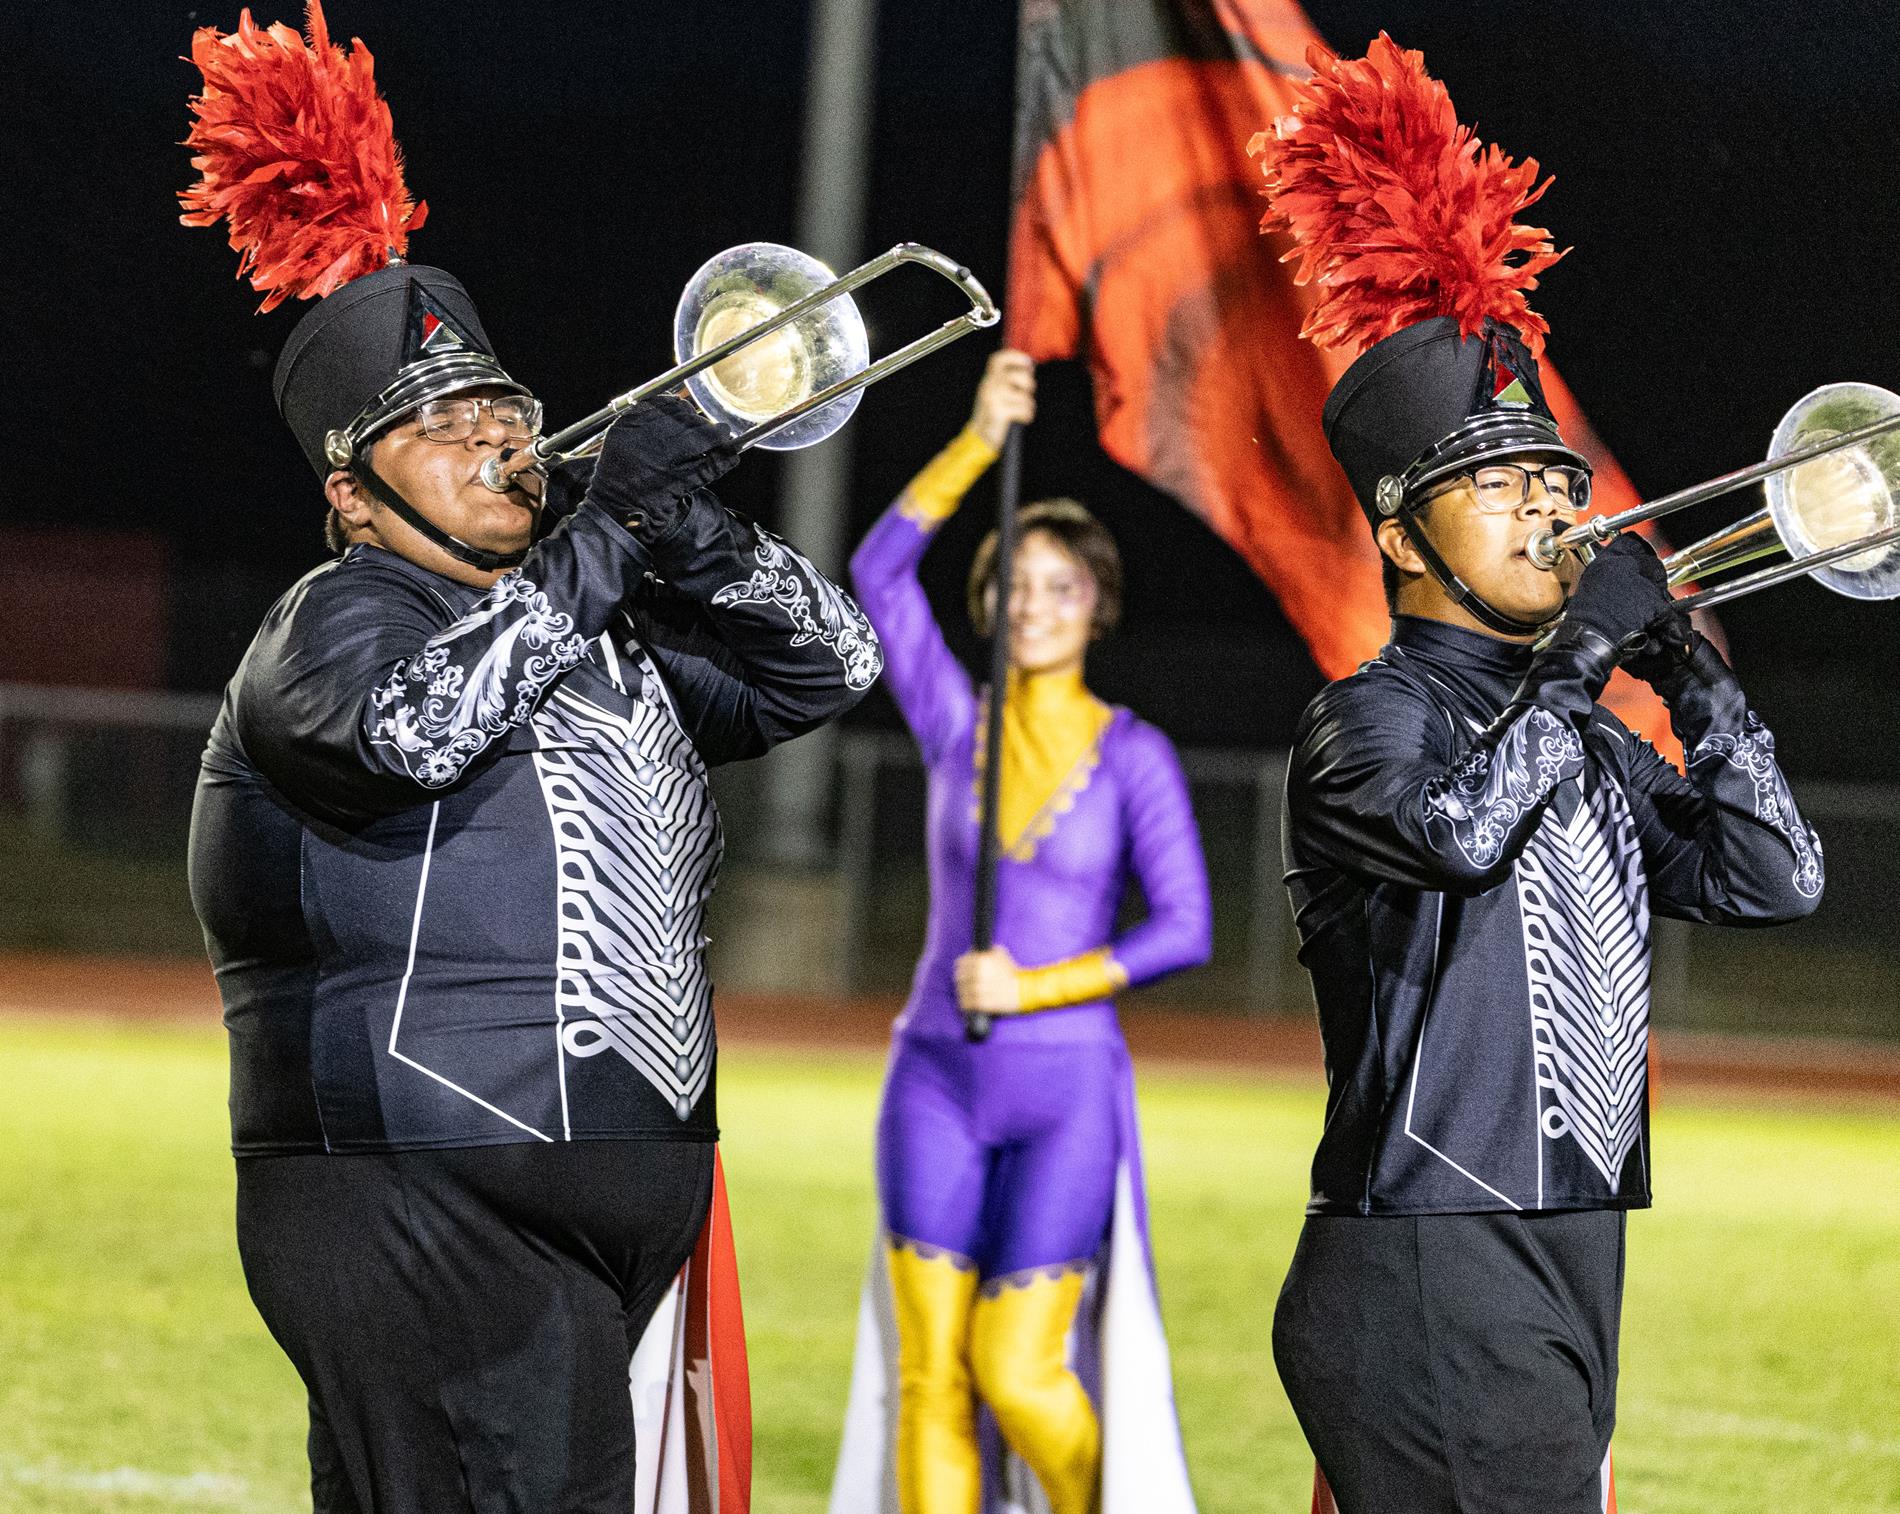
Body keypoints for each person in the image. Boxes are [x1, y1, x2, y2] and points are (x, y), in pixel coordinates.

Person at [180, 10, 878, 1510]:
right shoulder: (333, 618)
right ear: (352, 494)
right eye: (439, 422)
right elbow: (413, 728)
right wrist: (606, 536)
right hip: (412, 1196)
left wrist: (682, 516)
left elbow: (834, 661)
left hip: (581, 1215)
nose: (498, 432)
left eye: (507, 404)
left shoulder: (592, 623)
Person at [1253, 35, 1824, 1514]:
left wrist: (1696, 674)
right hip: (1427, 1256)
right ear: (1398, 535)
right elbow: (1454, 830)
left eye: (1558, 480)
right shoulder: (1363, 721)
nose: (1550, 504)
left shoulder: (1587, 738)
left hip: (1573, 1246)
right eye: (1500, 483)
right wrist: (1582, 660)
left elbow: (1773, 877)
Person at [828, 350, 1212, 1514]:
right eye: (1017, 584)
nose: (1036, 605)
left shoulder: (1133, 752)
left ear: (1098, 604)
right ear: (988, 602)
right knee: (929, 1372)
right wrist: (979, 439)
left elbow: (1186, 925)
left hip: (1066, 1088)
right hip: (932, 1072)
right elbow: (878, 565)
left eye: (1064, 586)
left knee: (1017, 1365)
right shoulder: (954, 721)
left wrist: (1036, 983)